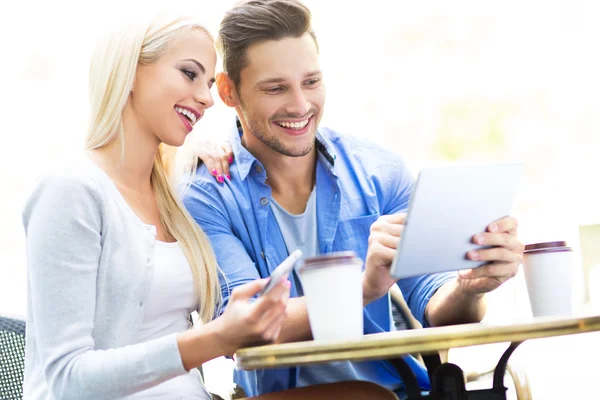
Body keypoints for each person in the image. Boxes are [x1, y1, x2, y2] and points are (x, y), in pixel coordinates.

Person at [182, 0, 525, 398]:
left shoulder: (380, 174)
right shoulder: (208, 198)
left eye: (311, 82)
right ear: (228, 91)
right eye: (276, 88)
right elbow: (240, 332)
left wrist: (472, 285)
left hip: (401, 391)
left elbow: (437, 308)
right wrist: (363, 289)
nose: (300, 105)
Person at [21, 10, 292, 400]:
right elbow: (67, 379)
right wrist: (214, 338)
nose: (207, 97)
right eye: (189, 73)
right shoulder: (71, 191)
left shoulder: (171, 199)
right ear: (130, 71)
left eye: (208, 82)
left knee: (364, 394)